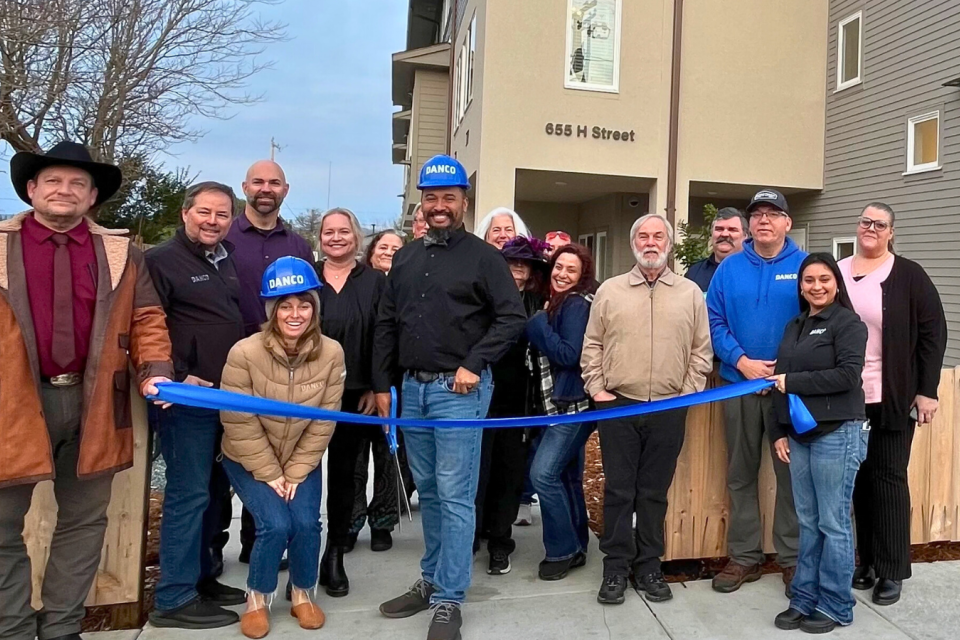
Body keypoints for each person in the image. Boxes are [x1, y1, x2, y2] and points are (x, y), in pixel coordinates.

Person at [0, 141, 173, 640]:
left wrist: (155, 369)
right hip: (12, 404)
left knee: (82, 524)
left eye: (77, 183)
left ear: (92, 196)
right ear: (32, 189)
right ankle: (11, 628)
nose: (64, 190)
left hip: (95, 404)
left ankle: (61, 627)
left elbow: (147, 318)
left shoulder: (120, 253)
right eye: (53, 181)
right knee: (1, 527)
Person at [373, 155, 526, 640]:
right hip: (412, 391)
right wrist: (383, 386)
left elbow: (512, 318)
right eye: (432, 198)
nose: (439, 207)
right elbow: (386, 322)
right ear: (423, 201)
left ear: (463, 202)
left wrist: (474, 362)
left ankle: (448, 599)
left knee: (457, 496)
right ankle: (432, 577)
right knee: (433, 495)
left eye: (449, 198)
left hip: (458, 392)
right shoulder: (406, 256)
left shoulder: (484, 257)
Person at [583, 215, 713, 604]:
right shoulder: (610, 291)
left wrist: (686, 394)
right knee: (620, 491)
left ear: (669, 245)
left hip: (670, 405)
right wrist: (597, 388)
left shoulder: (690, 293)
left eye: (658, 236)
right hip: (619, 405)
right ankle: (616, 568)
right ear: (633, 243)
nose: (651, 242)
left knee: (654, 492)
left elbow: (700, 350)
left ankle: (649, 566)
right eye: (643, 235)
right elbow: (592, 345)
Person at [219, 256, 345, 639]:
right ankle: (257, 597)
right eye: (285, 305)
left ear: (314, 308)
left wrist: (294, 471)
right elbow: (238, 420)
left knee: (307, 523)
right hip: (248, 457)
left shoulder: (332, 353)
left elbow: (325, 420)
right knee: (275, 524)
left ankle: (303, 593)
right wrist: (271, 473)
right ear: (272, 310)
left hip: (300, 459)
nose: (296, 314)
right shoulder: (244, 352)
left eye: (304, 304)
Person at [146, 182, 248, 629]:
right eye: (204, 212)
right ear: (186, 213)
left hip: (220, 398)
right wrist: (178, 371)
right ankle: (173, 595)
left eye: (222, 215)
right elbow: (149, 323)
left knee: (211, 493)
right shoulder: (160, 261)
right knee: (188, 494)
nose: (212, 221)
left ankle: (203, 578)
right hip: (184, 399)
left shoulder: (222, 260)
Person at [840, 203, 947, 606]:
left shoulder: (909, 276)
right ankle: (864, 562)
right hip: (847, 398)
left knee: (888, 481)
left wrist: (928, 390)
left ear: (891, 233)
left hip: (893, 397)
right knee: (858, 485)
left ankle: (892, 569)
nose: (871, 228)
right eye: (865, 222)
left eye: (879, 224)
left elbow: (933, 333)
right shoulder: (837, 271)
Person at [707, 188, 807, 595]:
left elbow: (820, 320)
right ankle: (745, 557)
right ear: (749, 224)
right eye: (758, 214)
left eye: (773, 214)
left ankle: (793, 558)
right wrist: (740, 360)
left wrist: (787, 369)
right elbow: (712, 321)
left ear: (787, 222)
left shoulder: (805, 266)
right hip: (739, 386)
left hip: (790, 391)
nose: (764, 220)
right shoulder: (728, 270)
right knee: (740, 474)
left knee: (792, 477)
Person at [768, 253, 869, 633]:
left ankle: (836, 604)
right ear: (801, 286)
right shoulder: (795, 325)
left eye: (824, 279)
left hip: (837, 432)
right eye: (808, 280)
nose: (816, 286)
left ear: (836, 283)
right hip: (800, 436)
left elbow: (847, 375)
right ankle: (804, 597)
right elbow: (779, 378)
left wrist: (793, 383)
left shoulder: (848, 324)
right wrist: (779, 431)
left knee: (833, 523)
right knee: (807, 523)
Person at [225, 159, 315, 566]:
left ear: (286, 189)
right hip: (227, 364)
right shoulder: (224, 236)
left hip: (280, 369)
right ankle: (208, 565)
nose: (266, 188)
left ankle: (259, 545)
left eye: (274, 182)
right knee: (223, 471)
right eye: (258, 181)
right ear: (245, 186)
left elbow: (305, 305)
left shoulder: (297, 245)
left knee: (274, 452)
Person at [315, 208, 393, 597]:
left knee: (346, 477)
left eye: (343, 231)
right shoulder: (306, 277)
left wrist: (374, 387)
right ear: (320, 238)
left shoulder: (375, 282)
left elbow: (383, 337)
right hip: (307, 397)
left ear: (357, 236)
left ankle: (335, 555)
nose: (336, 237)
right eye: (328, 232)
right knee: (305, 474)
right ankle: (302, 551)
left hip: (354, 394)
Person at [474, 236, 548, 575]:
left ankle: (500, 542)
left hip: (519, 401)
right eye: (511, 262)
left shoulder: (538, 303)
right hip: (478, 399)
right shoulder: (482, 301)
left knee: (509, 474)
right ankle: (473, 535)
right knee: (477, 473)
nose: (517, 268)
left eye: (524, 263)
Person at [524, 243, 597, 583]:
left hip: (572, 408)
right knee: (567, 478)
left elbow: (570, 355)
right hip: (555, 407)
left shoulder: (576, 305)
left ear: (583, 277)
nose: (562, 274)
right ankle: (577, 545)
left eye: (571, 270)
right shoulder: (555, 303)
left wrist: (537, 327)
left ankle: (561, 549)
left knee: (543, 475)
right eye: (558, 266)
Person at [685, 207, 748, 292]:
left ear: (745, 236)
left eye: (732, 230)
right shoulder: (694, 273)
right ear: (711, 234)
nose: (725, 234)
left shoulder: (755, 272)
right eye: (719, 229)